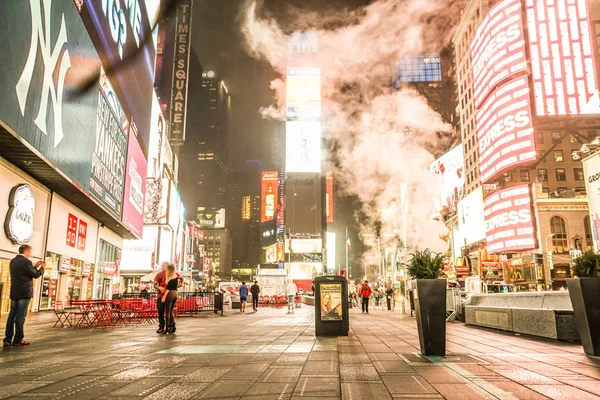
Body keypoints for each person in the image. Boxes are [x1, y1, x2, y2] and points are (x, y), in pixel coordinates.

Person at [3, 245, 44, 346]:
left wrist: (34, 267)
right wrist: (42, 268)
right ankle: (18, 339)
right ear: (27, 251)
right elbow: (35, 275)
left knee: (12, 316)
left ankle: (7, 340)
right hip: (24, 292)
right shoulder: (26, 261)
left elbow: (26, 273)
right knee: (21, 316)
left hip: (15, 292)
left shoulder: (13, 261)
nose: (30, 254)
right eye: (30, 252)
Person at [154, 262, 181, 333]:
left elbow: (181, 278)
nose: (164, 267)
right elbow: (155, 284)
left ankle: (170, 327)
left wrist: (179, 285)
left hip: (169, 295)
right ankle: (162, 327)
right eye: (162, 266)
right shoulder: (159, 275)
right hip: (161, 295)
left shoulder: (173, 273)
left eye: (165, 266)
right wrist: (159, 287)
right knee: (161, 312)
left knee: (169, 312)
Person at [161, 264, 179, 334]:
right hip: (175, 293)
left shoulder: (170, 277)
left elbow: (168, 288)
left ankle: (167, 328)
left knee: (167, 312)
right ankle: (173, 326)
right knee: (171, 311)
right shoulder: (176, 276)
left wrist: (164, 297)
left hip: (170, 293)